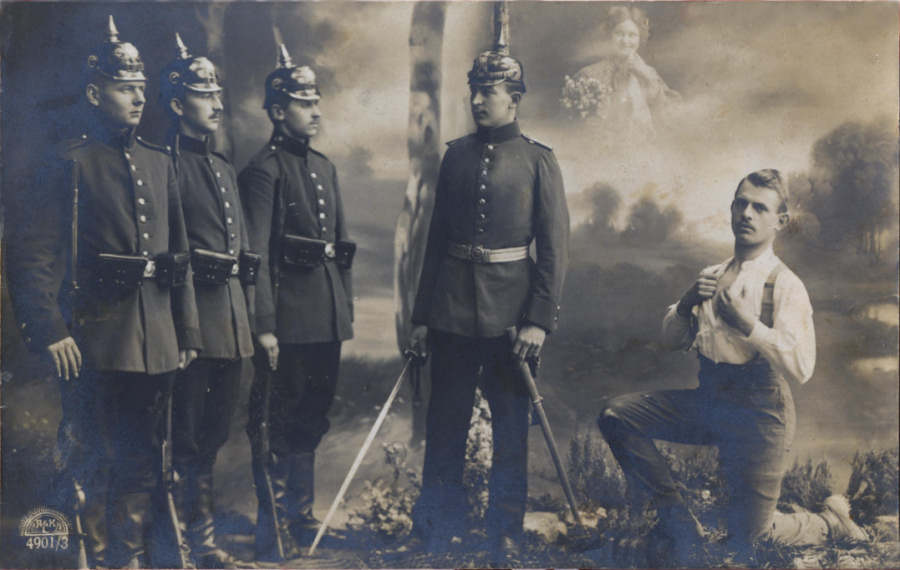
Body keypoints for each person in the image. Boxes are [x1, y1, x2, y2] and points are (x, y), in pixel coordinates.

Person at [596, 169, 868, 566]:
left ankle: (828, 522)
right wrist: (686, 303)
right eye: (741, 203)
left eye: (760, 207)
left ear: (780, 220)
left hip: (760, 414)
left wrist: (749, 325)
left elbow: (802, 366)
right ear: (731, 209)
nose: (747, 214)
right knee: (617, 416)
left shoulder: (785, 284)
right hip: (711, 404)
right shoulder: (711, 276)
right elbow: (671, 340)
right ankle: (680, 524)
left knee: (751, 543)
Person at [7, 16, 201, 568]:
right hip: (94, 338)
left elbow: (179, 257)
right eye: (123, 88)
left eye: (141, 87)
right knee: (95, 454)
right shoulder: (67, 163)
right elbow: (32, 256)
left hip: (155, 337)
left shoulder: (160, 163)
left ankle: (128, 558)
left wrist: (186, 330)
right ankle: (95, 559)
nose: (138, 98)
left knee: (142, 458)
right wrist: (50, 329)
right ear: (95, 94)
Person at [407, 40, 570, 558]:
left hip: (512, 319)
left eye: (489, 92)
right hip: (451, 311)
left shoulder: (539, 161)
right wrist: (422, 316)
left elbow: (554, 250)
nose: (478, 100)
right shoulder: (456, 156)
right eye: (474, 91)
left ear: (514, 99)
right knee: (445, 425)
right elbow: (434, 242)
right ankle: (439, 531)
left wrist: (538, 320)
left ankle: (504, 533)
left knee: (510, 429)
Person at [239, 44, 354, 560]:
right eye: (304, 103)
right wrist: (264, 326)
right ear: (277, 111)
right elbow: (256, 255)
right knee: (276, 423)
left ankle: (301, 518)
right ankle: (273, 529)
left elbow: (340, 249)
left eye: (316, 101)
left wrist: (342, 313)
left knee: (312, 416)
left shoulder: (324, 168)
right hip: (286, 321)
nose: (315, 111)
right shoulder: (264, 171)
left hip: (324, 319)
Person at [159, 33, 257, 568]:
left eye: (218, 93)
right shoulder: (168, 165)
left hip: (231, 322)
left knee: (214, 434)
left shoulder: (221, 167)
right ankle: (189, 543)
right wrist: (184, 330)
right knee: (187, 436)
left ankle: (202, 539)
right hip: (191, 323)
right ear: (178, 105)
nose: (216, 103)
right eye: (203, 95)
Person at [562, 6, 679, 146]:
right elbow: (575, 127)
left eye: (632, 35)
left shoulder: (650, 74)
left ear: (640, 38)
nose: (625, 41)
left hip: (645, 150)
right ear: (609, 36)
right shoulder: (589, 75)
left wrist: (647, 80)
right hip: (602, 149)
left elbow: (669, 118)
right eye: (619, 34)